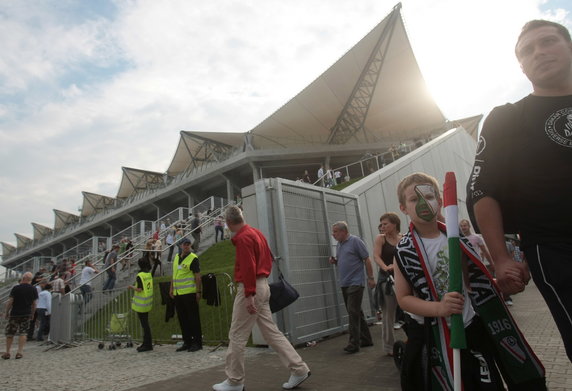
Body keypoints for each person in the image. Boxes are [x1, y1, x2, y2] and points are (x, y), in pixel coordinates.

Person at [466, 20, 572, 362]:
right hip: (556, 247)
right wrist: (500, 258)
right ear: (521, 66)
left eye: (548, 42)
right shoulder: (507, 118)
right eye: (528, 50)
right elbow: (482, 189)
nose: (539, 52)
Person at [394, 172, 546, 390]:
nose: (423, 203)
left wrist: (499, 284)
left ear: (439, 200)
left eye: (428, 196)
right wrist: (439, 308)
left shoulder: (457, 239)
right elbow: (404, 299)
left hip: (469, 329)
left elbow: (471, 282)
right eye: (414, 199)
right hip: (433, 336)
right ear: (403, 208)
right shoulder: (403, 251)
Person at [212, 205, 310, 391]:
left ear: (229, 222)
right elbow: (267, 257)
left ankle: (235, 381)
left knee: (237, 334)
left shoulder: (242, 238)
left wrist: (249, 294)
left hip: (251, 289)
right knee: (272, 332)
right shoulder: (256, 233)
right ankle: (298, 369)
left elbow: (248, 267)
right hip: (263, 285)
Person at [329, 221, 376, 354]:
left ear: (344, 231)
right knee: (355, 312)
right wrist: (335, 261)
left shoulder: (356, 241)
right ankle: (366, 339)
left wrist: (371, 278)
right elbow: (343, 260)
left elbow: (366, 259)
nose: (333, 234)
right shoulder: (339, 244)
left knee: (352, 312)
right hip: (345, 283)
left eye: (335, 231)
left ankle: (354, 343)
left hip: (356, 282)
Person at [372, 212, 402, 356]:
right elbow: (376, 256)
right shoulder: (381, 239)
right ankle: (389, 347)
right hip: (388, 281)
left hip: (403, 280)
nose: (382, 227)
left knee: (411, 311)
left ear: (394, 224)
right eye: (381, 224)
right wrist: (385, 267)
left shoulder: (403, 239)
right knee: (388, 314)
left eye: (385, 224)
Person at [170, 237, 203, 352]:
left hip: (189, 293)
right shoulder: (176, 258)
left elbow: (197, 276)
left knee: (193, 318)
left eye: (188, 244)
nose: (187, 246)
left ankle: (197, 342)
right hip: (178, 294)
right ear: (180, 246)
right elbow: (174, 275)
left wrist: (198, 291)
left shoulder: (193, 258)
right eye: (185, 244)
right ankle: (187, 342)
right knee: (182, 318)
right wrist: (171, 289)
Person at [3, 272, 38, 360]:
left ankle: (7, 352)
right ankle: (19, 352)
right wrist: (33, 313)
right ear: (30, 280)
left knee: (10, 333)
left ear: (23, 278)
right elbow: (34, 304)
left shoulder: (16, 288)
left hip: (15, 313)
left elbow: (10, 301)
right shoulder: (33, 289)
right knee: (23, 332)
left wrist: (7, 312)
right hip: (26, 313)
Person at [129, 258, 154, 352]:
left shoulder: (140, 275)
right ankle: (146, 343)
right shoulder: (148, 274)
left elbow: (139, 289)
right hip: (147, 301)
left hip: (141, 303)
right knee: (145, 324)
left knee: (145, 325)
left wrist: (131, 287)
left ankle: (147, 344)